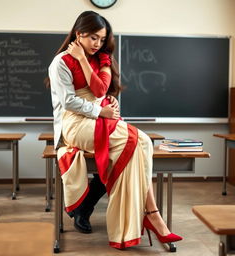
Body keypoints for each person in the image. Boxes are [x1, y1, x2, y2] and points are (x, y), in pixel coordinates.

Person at [47, 10, 182, 249]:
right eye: (93, 38)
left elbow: (101, 91)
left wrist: (108, 102)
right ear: (79, 34)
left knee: (142, 144)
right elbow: (68, 101)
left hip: (98, 119)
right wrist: (101, 111)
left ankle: (150, 215)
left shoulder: (100, 59)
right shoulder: (60, 62)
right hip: (75, 124)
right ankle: (152, 216)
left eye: (102, 39)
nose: (97, 44)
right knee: (140, 141)